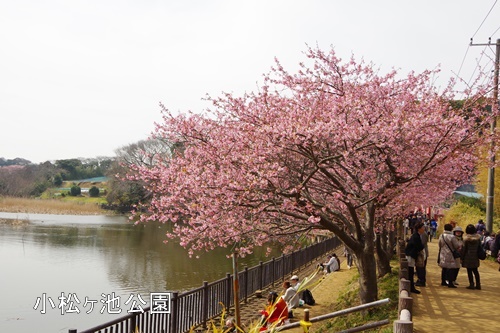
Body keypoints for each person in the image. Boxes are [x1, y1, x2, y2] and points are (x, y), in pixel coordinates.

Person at [438, 223, 461, 288]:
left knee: (444, 268)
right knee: (451, 268)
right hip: (450, 254)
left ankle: (443, 281)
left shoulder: (441, 235)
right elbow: (456, 246)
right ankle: (450, 282)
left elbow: (439, 244)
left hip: (443, 253)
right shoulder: (452, 237)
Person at [405, 222, 425, 293]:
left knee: (411, 271)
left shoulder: (416, 235)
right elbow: (419, 246)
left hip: (411, 255)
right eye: (423, 228)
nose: (424, 229)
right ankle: (411, 287)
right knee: (410, 271)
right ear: (419, 229)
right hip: (410, 255)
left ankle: (411, 287)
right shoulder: (416, 236)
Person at [461, 224, 482, 290]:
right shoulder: (478, 239)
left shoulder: (465, 239)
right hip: (475, 256)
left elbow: (464, 249)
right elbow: (480, 247)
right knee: (476, 271)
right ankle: (478, 284)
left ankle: (471, 284)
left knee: (469, 271)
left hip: (468, 257)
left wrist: (462, 257)